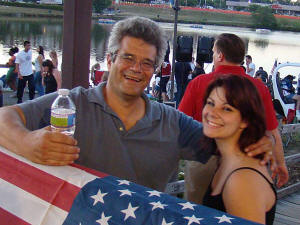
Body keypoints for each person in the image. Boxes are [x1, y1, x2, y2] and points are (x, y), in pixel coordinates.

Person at [0, 17, 273, 192]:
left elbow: (226, 146)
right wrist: (27, 143)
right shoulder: (70, 104)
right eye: (127, 58)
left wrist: (254, 143)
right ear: (110, 60)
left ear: (155, 69)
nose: (136, 69)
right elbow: (5, 117)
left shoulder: (173, 122)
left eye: (146, 63)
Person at [179, 33, 288, 204]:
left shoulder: (199, 83)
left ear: (220, 55)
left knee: (196, 211)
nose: (213, 57)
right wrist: (281, 164)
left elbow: (181, 124)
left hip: (204, 158)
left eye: (214, 52)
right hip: (246, 162)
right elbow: (272, 132)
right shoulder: (259, 87)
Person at [202, 75, 276, 225]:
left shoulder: (242, 181)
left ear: (245, 120)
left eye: (227, 108)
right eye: (210, 103)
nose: (212, 112)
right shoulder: (227, 160)